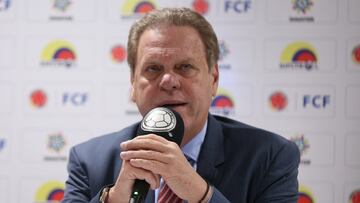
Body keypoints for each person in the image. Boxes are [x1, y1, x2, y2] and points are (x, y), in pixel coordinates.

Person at [63, 7, 300, 203]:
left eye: (185, 67)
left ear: (214, 79)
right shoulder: (88, 160)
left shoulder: (270, 156)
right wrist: (113, 199)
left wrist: (201, 194)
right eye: (153, 69)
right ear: (133, 83)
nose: (168, 81)